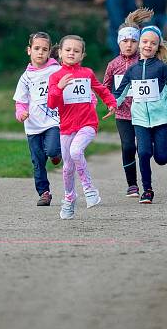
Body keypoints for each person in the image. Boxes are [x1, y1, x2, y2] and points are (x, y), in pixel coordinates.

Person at [112, 26, 167, 204]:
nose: (148, 45)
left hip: (160, 119)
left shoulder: (162, 68)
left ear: (158, 47)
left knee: (161, 158)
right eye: (144, 41)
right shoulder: (132, 70)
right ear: (139, 44)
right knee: (143, 153)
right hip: (140, 120)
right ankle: (147, 190)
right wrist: (112, 105)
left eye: (153, 43)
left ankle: (156, 149)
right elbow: (120, 92)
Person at [47, 35, 116, 220]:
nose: (71, 53)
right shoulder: (55, 76)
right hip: (66, 127)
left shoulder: (87, 73)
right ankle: (69, 197)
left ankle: (89, 189)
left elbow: (100, 89)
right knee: (68, 167)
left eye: (76, 51)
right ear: (60, 53)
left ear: (82, 55)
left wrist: (111, 102)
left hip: (88, 124)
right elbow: (52, 104)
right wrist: (58, 88)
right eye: (68, 50)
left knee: (76, 151)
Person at [103, 8, 154, 199]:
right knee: (128, 147)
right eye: (125, 41)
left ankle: (147, 183)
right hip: (123, 114)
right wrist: (110, 102)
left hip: (144, 113)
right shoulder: (113, 65)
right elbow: (104, 87)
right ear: (119, 42)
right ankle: (132, 184)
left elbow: (158, 83)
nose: (129, 45)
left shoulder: (144, 62)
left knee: (144, 149)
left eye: (134, 41)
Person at [13, 32, 63, 206]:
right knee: (38, 161)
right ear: (29, 51)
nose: (40, 52)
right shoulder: (25, 78)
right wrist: (21, 114)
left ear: (49, 52)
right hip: (33, 125)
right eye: (36, 49)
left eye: (44, 49)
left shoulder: (56, 70)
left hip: (52, 121)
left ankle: (56, 154)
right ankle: (44, 193)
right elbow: (20, 102)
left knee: (51, 150)